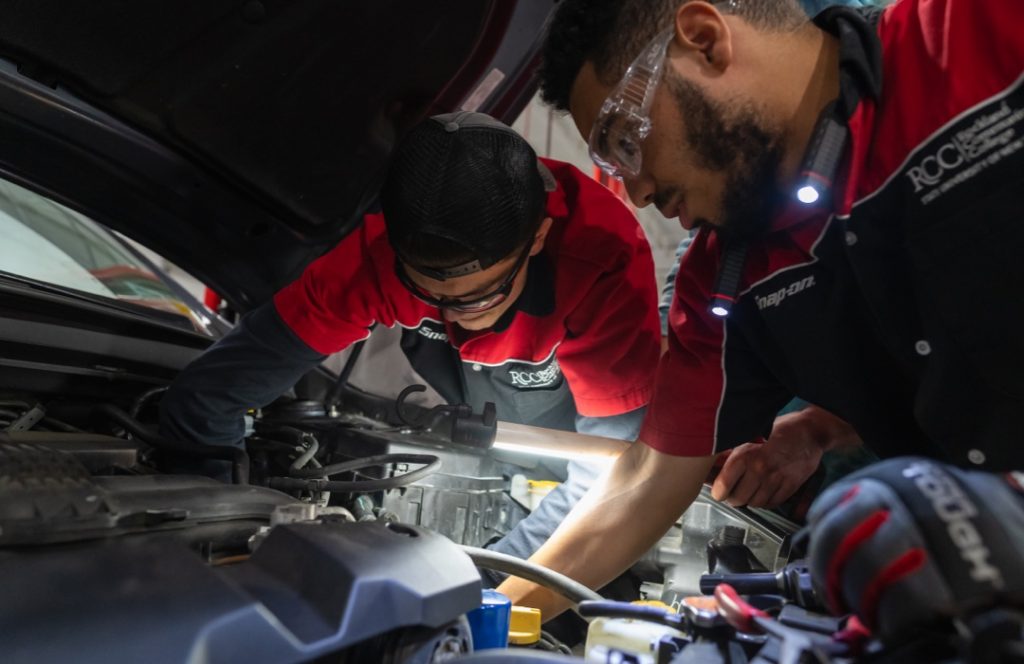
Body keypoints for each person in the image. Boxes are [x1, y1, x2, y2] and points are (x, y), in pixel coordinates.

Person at [497, 0, 1024, 637]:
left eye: (623, 138)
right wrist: (483, 614)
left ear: (703, 40)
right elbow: (645, 482)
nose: (634, 190)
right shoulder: (723, 285)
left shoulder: (979, 35)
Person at [159, 111, 662, 562]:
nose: (460, 322)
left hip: (570, 447)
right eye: (430, 296)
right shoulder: (375, 252)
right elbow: (209, 398)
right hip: (476, 428)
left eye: (478, 297)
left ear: (537, 239)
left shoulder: (602, 262)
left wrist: (487, 578)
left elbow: (616, 473)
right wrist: (216, 538)